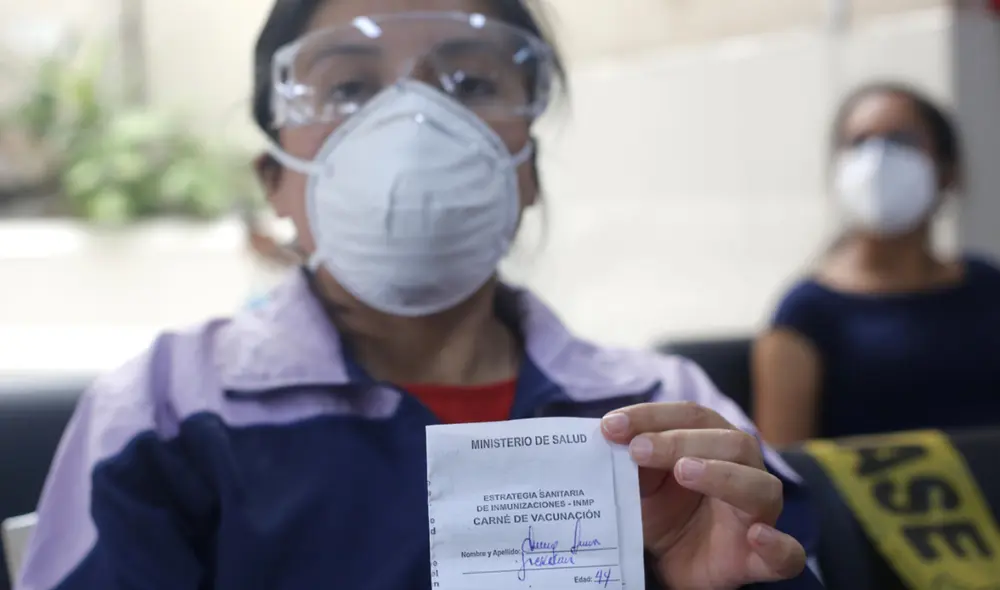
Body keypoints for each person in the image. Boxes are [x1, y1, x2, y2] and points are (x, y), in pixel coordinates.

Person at [17, 1, 822, 589]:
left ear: (527, 173)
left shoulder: (665, 413)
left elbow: (800, 563)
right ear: (276, 179)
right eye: (348, 89)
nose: (414, 123)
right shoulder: (160, 413)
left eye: (469, 82)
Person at [753, 82, 1000, 447]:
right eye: (859, 142)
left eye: (902, 141)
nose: (878, 159)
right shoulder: (805, 313)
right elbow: (783, 467)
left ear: (946, 170)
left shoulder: (987, 287)